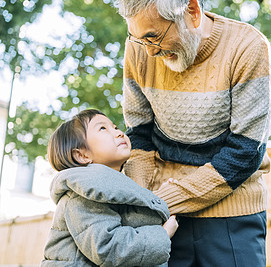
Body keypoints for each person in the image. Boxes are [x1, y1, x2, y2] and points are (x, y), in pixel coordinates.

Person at [116, 0, 271, 266]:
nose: (148, 52)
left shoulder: (248, 47)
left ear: (192, 11)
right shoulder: (138, 50)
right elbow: (138, 135)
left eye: (153, 36)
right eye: (138, 39)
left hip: (233, 213)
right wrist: (142, 205)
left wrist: (161, 201)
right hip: (161, 217)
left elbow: (245, 152)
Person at [40, 109, 178, 267]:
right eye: (102, 129)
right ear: (82, 155)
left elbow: (129, 221)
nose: (118, 133)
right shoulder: (82, 192)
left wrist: (158, 200)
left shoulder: (110, 188)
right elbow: (107, 247)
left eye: (115, 127)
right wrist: (163, 235)